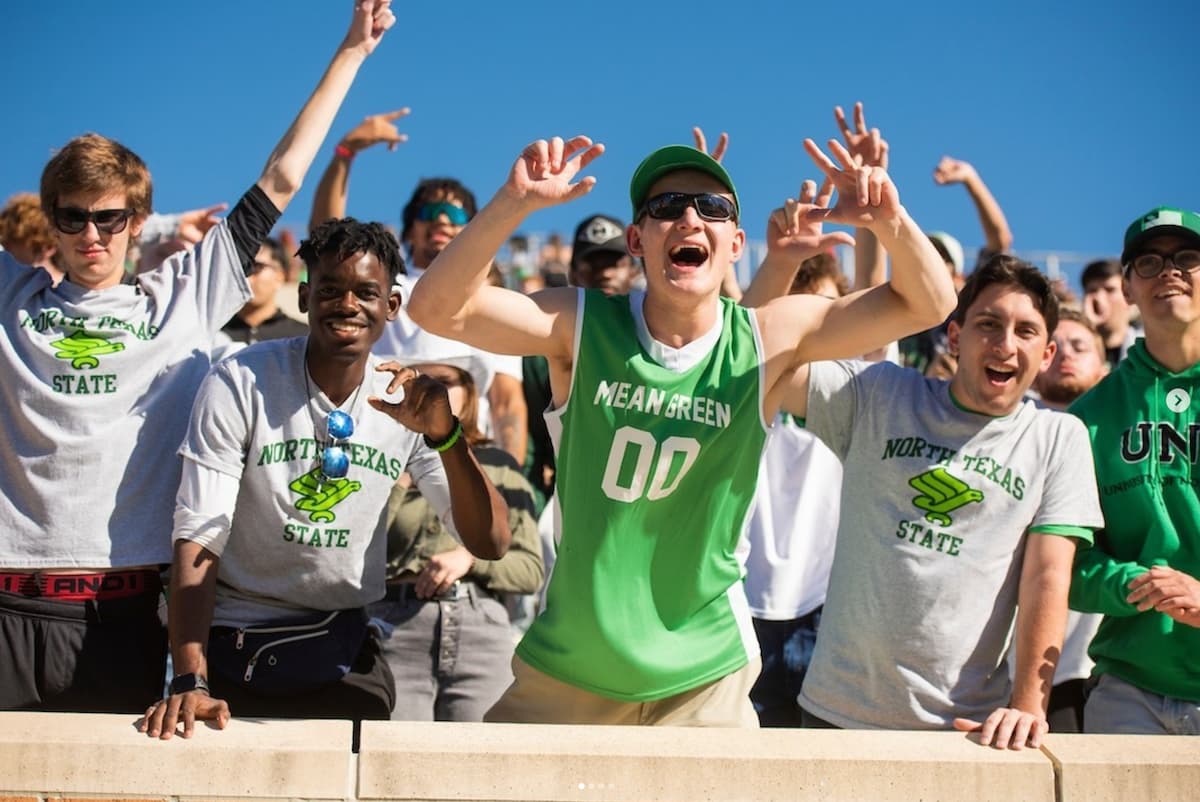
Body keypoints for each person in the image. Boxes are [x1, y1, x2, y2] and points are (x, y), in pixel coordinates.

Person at [406, 131, 956, 726]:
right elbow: (436, 308)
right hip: (572, 664)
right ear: (637, 241)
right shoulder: (582, 323)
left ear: (735, 244)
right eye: (667, 207)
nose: (690, 217)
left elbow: (929, 305)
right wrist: (513, 202)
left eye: (712, 208)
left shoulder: (766, 337)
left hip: (704, 674)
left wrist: (891, 221)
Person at [0, 0, 396, 714]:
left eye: (110, 217)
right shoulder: (12, 298)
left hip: (122, 616)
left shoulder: (181, 299)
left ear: (137, 219)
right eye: (72, 217)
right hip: (5, 604)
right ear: (50, 220)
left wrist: (352, 53)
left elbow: (280, 180)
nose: (91, 235)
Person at [140, 217, 510, 739]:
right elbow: (200, 531)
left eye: (366, 292)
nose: (347, 304)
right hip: (238, 637)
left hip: (342, 644)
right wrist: (190, 678)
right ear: (305, 297)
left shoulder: (403, 394)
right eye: (331, 290)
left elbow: (490, 542)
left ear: (392, 307)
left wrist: (446, 436)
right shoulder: (242, 379)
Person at [789, 255, 1103, 749]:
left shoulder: (1057, 437)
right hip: (837, 713)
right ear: (954, 338)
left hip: (967, 730)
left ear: (1046, 356)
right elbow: (768, 359)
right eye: (988, 324)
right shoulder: (880, 393)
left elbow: (1048, 575)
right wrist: (788, 257)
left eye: (1026, 332)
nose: (1004, 344)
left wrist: (1027, 704)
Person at [309, 113, 529, 466]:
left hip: (467, 455)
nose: (443, 220)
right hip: (384, 451)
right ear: (410, 230)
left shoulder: (495, 301)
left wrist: (510, 473)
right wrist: (345, 153)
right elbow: (327, 244)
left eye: (457, 217)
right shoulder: (383, 285)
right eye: (431, 212)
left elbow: (506, 400)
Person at [1068, 206, 1200, 735]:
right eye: (1149, 262)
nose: (1169, 270)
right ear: (1126, 288)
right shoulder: (1088, 417)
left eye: (1187, 258)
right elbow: (1067, 562)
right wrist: (1136, 583)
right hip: (1128, 691)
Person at [369, 356, 542, 721]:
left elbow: (530, 570)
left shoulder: (497, 464)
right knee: (396, 760)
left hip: (479, 624)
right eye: (413, 379)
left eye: (445, 381)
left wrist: (470, 558)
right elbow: (355, 551)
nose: (429, 390)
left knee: (483, 760)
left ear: (470, 391)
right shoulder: (377, 463)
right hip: (393, 627)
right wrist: (401, 477)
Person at [1025, 307, 1109, 733]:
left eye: (1082, 346)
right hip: (1013, 660)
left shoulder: (1118, 436)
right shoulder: (1011, 429)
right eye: (1059, 346)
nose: (1068, 356)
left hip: (1090, 659)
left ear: (1105, 364)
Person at [220, 237, 308, 345]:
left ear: (280, 277)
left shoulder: (304, 338)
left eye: (256, 267)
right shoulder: (213, 334)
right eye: (240, 268)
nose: (245, 277)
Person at [1080, 258, 1140, 370]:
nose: (1098, 298)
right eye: (1092, 291)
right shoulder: (1076, 352)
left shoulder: (1148, 346)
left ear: (1128, 296)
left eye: (1109, 290)